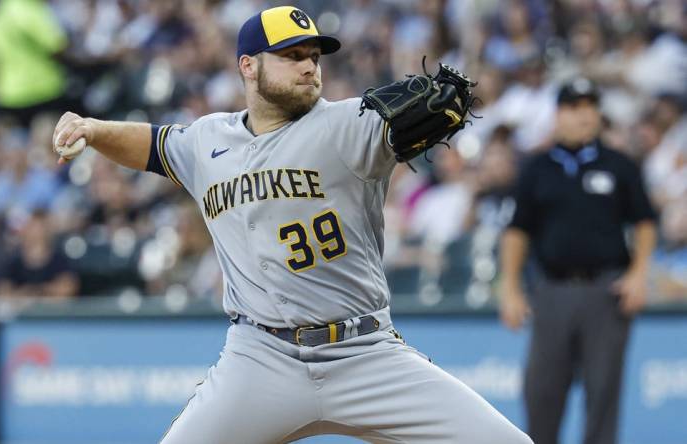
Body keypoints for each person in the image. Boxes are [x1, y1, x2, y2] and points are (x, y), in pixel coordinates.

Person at [53, 6, 531, 443]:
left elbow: (418, 115)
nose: (308, 66)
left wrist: (456, 89)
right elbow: (153, 146)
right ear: (248, 65)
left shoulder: (351, 124)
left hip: (363, 351)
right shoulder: (207, 141)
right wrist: (94, 130)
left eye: (314, 57)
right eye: (291, 55)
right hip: (260, 358)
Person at [499, 78, 657, 444]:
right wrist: (509, 288)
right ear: (558, 114)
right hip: (551, 291)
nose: (584, 115)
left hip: (606, 291)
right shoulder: (536, 168)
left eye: (590, 107)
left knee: (603, 395)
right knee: (542, 393)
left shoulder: (619, 165)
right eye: (574, 107)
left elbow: (645, 222)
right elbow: (516, 231)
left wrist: (638, 274)